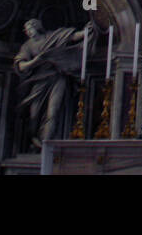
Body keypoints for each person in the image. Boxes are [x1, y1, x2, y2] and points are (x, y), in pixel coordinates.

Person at [14, 18, 93, 150]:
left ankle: (46, 145)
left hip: (57, 78)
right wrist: (36, 62)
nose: (28, 32)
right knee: (34, 115)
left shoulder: (53, 36)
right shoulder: (27, 46)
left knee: (53, 112)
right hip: (38, 82)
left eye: (30, 28)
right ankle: (35, 140)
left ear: (37, 26)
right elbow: (21, 66)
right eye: (26, 30)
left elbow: (72, 37)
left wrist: (87, 31)